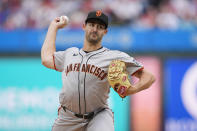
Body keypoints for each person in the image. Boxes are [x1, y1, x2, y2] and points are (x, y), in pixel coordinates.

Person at [41, 10, 155, 131]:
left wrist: (132, 89)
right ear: (84, 27)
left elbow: (149, 77)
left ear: (105, 32)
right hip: (68, 117)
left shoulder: (114, 56)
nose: (95, 29)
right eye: (92, 25)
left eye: (100, 27)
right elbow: (46, 59)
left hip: (98, 116)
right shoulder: (70, 54)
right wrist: (54, 27)